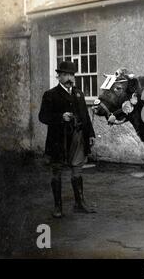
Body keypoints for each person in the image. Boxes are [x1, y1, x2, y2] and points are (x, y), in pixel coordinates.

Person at [39, 61, 96, 218]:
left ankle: (80, 203)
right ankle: (58, 207)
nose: (69, 78)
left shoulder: (78, 94)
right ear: (59, 76)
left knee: (77, 169)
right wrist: (60, 117)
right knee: (57, 170)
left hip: (77, 137)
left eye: (71, 75)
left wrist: (90, 134)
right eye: (65, 75)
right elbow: (42, 117)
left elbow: (85, 116)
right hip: (58, 139)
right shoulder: (50, 95)